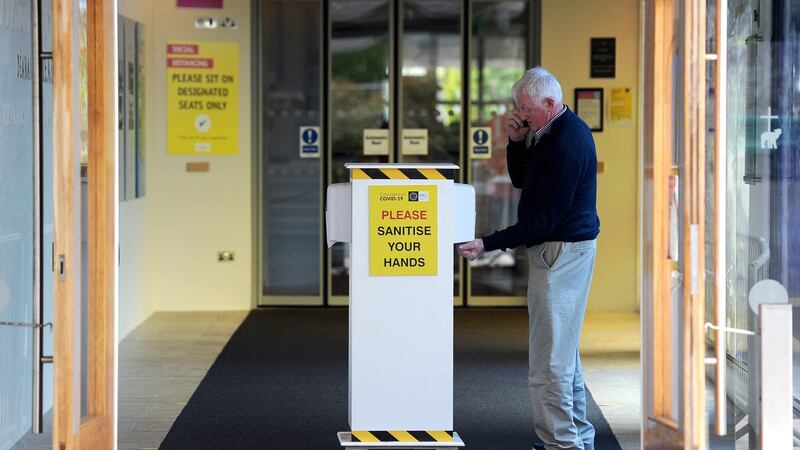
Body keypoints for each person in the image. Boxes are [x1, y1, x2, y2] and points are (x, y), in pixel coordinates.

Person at [458, 66, 600, 450]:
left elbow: (540, 222)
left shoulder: (563, 144)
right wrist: (516, 140)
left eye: (525, 108)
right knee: (563, 353)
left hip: (559, 253)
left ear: (549, 103)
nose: (519, 114)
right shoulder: (550, 131)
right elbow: (523, 181)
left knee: (548, 363)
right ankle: (576, 439)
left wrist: (488, 243)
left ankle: (561, 444)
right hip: (565, 248)